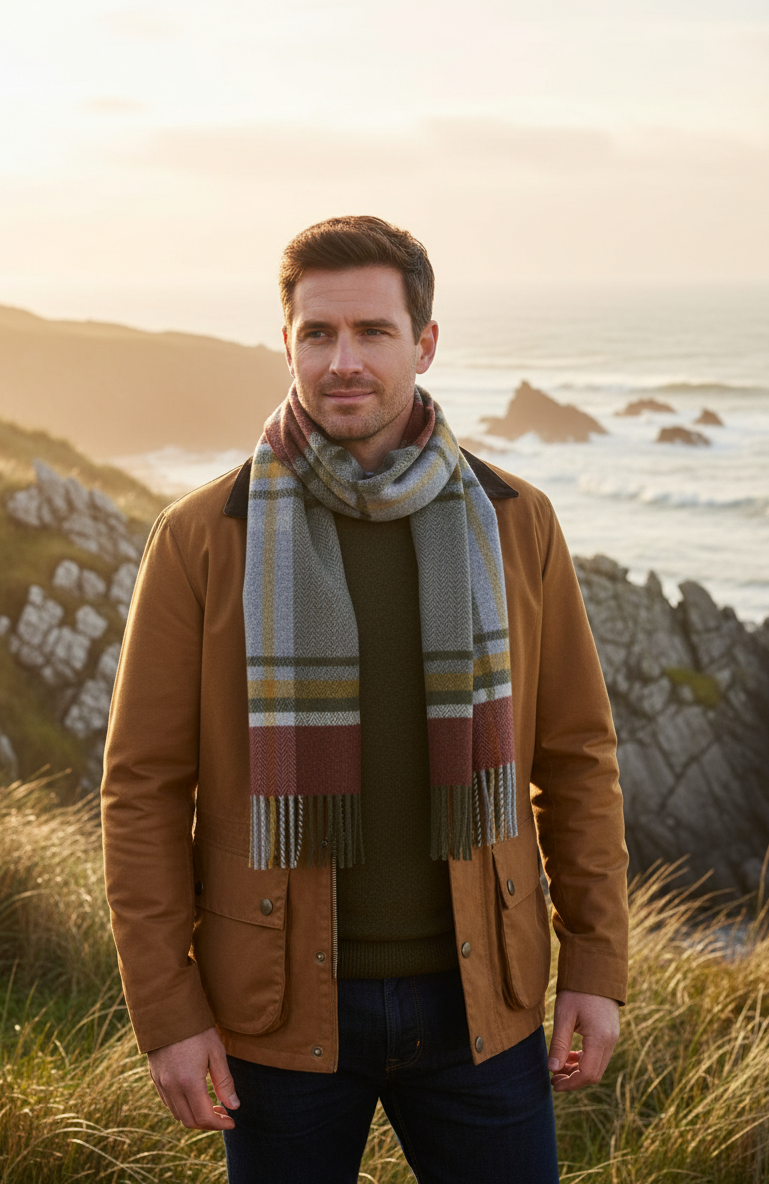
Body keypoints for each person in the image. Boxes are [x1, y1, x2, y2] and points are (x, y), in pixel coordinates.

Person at [101, 215, 629, 1184]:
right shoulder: (204, 534)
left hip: (484, 1000)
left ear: (424, 343)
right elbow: (142, 788)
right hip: (275, 1008)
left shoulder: (516, 522)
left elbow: (576, 757)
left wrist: (596, 963)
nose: (343, 361)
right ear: (289, 340)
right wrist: (169, 1012)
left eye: (373, 333)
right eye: (318, 333)